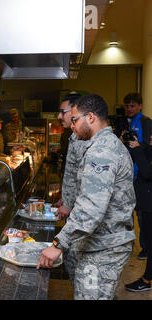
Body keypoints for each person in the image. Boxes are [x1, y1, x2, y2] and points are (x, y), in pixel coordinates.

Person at [37, 94, 136, 300]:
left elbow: (90, 209)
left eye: (74, 120)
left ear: (90, 117)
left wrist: (58, 244)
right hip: (102, 244)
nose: (71, 126)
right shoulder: (103, 144)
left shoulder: (101, 152)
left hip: (104, 247)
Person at [54, 92, 90, 286]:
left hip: (93, 234)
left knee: (89, 286)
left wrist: (59, 243)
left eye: (64, 112)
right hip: (78, 222)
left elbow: (90, 193)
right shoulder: (75, 137)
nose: (60, 117)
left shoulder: (90, 142)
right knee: (76, 276)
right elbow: (74, 175)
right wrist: (66, 198)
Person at [120, 93, 152, 260]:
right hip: (126, 174)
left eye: (132, 106)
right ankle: (126, 246)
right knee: (126, 213)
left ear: (140, 105)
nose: (129, 109)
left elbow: (148, 148)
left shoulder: (146, 123)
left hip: (141, 175)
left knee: (141, 214)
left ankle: (145, 247)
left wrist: (138, 147)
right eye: (127, 106)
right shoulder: (125, 122)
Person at [125, 134, 152, 292]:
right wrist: (133, 145)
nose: (150, 136)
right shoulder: (148, 149)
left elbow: (148, 172)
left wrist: (136, 150)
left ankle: (146, 280)